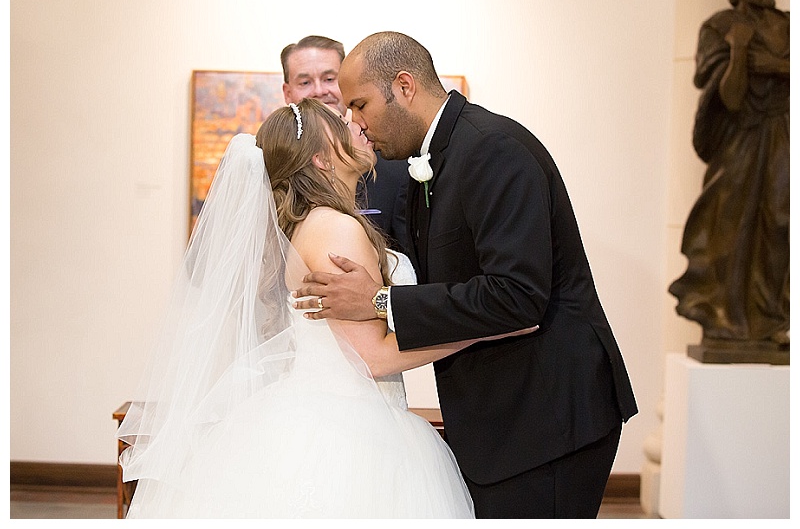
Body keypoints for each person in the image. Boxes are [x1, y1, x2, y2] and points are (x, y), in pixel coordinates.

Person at [116, 98, 536, 518]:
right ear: (320, 157)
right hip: (347, 432)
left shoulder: (315, 223)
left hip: (322, 413)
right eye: (341, 123)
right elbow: (371, 357)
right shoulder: (335, 228)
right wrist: (485, 326)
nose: (355, 124)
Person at [293, 32, 638, 518]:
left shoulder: (491, 148)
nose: (357, 124)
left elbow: (517, 295)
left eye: (361, 104)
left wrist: (380, 302)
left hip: (548, 417)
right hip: (503, 419)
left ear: (405, 86)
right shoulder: (431, 159)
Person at [668, 0, 789, 347]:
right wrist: (737, 50)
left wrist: (775, 65)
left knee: (782, 221)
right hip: (740, 140)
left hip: (782, 132)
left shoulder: (788, 25)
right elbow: (732, 99)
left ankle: (768, 320)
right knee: (729, 224)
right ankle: (724, 318)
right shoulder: (720, 26)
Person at [281, 35, 409, 254]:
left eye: (330, 79)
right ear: (288, 93)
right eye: (305, 82)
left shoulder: (392, 164)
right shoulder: (270, 169)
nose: (319, 91)